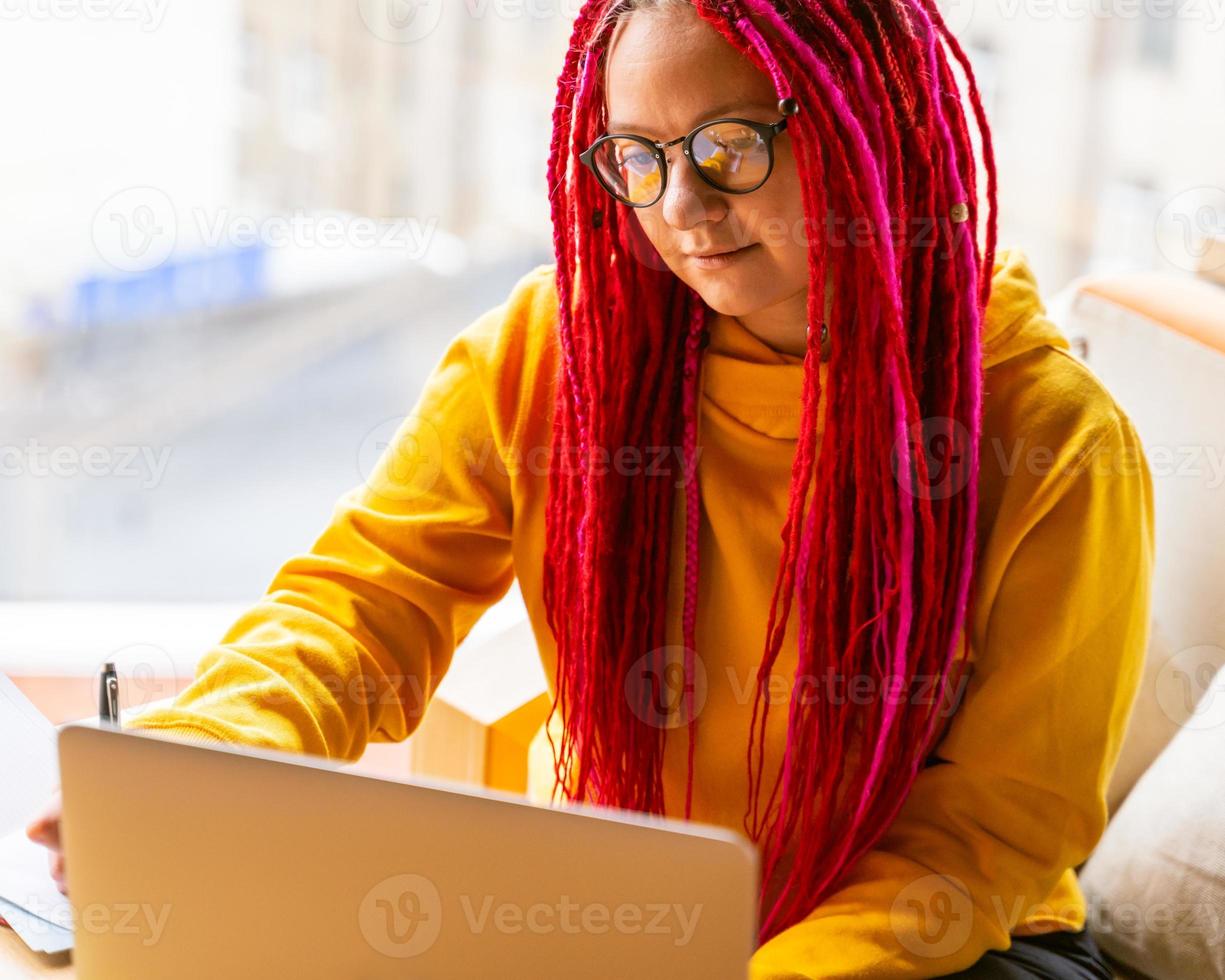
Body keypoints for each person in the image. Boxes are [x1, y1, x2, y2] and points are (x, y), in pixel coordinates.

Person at [28, 0, 1155, 976]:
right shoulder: (554, 348)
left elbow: (989, 837)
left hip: (946, 954)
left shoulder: (1048, 437)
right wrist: (205, 760)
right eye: (638, 156)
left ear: (877, 119)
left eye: (729, 146)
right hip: (646, 927)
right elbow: (364, 601)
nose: (682, 209)